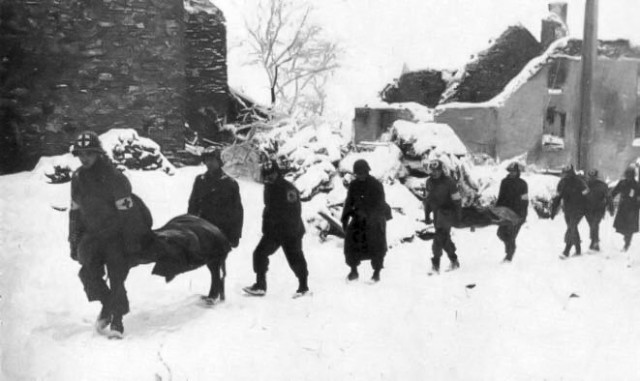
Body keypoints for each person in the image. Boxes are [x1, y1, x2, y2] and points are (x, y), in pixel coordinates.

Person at [68, 131, 152, 338]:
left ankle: (117, 320)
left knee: (116, 276)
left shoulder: (113, 176)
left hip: (116, 235)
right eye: (81, 153)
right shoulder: (77, 178)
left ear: (98, 153)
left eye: (89, 153)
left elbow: (128, 213)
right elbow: (75, 212)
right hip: (92, 236)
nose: (84, 158)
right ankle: (108, 305)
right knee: (88, 274)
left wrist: (132, 242)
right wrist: (74, 240)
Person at [243, 159, 309, 297]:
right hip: (273, 232)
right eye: (266, 174)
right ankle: (260, 285)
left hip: (291, 231)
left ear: (277, 172)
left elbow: (294, 212)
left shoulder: (288, 189)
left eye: (272, 173)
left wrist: (286, 231)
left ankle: (303, 287)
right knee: (259, 254)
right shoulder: (268, 187)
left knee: (295, 258)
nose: (269, 177)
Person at [341, 159, 389, 282]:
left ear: (367, 172)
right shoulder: (354, 185)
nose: (360, 175)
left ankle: (376, 272)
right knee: (350, 240)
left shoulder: (376, 185)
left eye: (362, 173)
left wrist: (369, 217)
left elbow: (380, 204)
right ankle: (353, 271)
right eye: (358, 173)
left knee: (376, 243)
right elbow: (349, 202)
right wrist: (345, 219)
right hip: (359, 217)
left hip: (375, 217)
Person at [188, 146, 243, 249]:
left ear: (219, 161)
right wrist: (189, 226)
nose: (209, 163)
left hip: (221, 231)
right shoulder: (200, 180)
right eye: (207, 160)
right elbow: (193, 205)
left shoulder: (230, 183)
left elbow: (237, 212)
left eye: (212, 160)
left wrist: (235, 236)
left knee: (215, 262)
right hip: (202, 229)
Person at [423, 160, 462, 274]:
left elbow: (457, 200)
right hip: (436, 214)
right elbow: (427, 199)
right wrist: (426, 215)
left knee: (439, 237)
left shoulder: (449, 182)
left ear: (441, 170)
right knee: (444, 238)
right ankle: (454, 260)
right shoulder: (429, 182)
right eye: (432, 170)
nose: (434, 172)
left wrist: (458, 216)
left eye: (437, 170)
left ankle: (435, 265)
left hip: (447, 213)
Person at [551, 165, 588, 258]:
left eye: (569, 173)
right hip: (567, 209)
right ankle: (578, 249)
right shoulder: (562, 183)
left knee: (571, 227)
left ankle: (566, 250)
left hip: (579, 209)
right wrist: (553, 210)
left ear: (572, 172)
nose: (567, 175)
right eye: (566, 173)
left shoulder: (579, 182)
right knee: (572, 228)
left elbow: (587, 195)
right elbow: (558, 197)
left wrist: (588, 208)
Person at [495, 162, 529, 262]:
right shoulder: (504, 182)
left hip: (517, 213)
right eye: (510, 171)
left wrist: (523, 215)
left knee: (511, 234)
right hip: (505, 213)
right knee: (500, 233)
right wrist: (496, 210)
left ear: (518, 172)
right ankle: (510, 248)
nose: (512, 173)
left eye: (514, 171)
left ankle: (509, 256)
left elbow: (525, 200)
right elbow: (500, 197)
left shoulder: (523, 184)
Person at [610, 166, 640, 251]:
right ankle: (626, 238)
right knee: (622, 227)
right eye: (627, 174)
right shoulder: (622, 183)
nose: (629, 176)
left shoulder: (637, 185)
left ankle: (627, 243)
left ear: (633, 175)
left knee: (629, 228)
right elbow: (614, 192)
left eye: (630, 175)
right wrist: (608, 199)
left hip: (633, 209)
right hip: (623, 208)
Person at [584, 169, 611, 251]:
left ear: (596, 176)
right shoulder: (585, 185)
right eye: (590, 176)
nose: (592, 178)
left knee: (595, 224)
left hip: (599, 209)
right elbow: (581, 196)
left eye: (593, 176)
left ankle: (595, 242)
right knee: (592, 225)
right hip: (588, 209)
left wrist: (610, 207)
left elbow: (608, 196)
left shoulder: (602, 185)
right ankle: (593, 241)